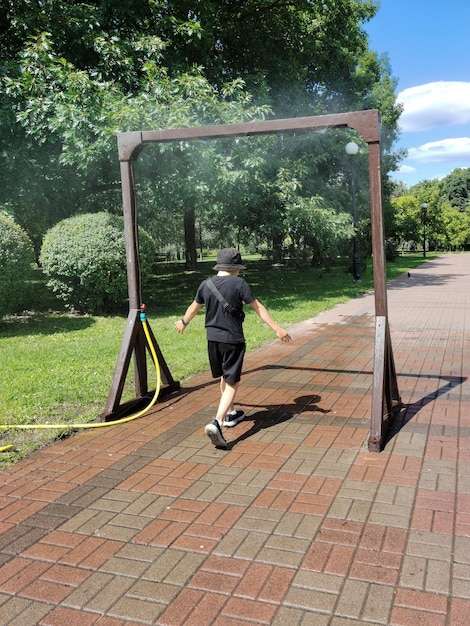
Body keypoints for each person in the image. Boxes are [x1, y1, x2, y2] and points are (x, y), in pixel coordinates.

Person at [175, 247, 291, 448]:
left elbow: (194, 308)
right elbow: (258, 307)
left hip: (213, 339)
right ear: (236, 267)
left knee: (224, 376)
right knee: (232, 382)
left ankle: (230, 412)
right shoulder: (239, 284)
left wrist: (183, 322)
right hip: (233, 340)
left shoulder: (206, 284)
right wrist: (277, 328)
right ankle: (217, 422)